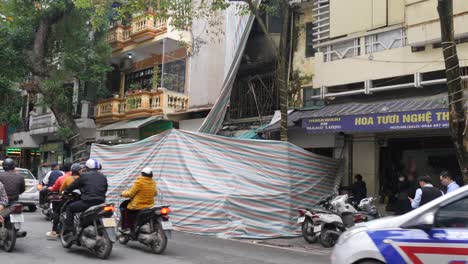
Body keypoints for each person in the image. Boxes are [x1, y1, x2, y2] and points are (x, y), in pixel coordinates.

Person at [63, 159, 108, 235]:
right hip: (101, 202)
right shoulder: (103, 177)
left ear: (87, 167)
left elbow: (73, 186)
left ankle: (69, 230)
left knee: (70, 208)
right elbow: (105, 189)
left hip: (88, 202)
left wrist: (66, 192)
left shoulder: (84, 175)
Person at [46, 163, 83, 239]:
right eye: (81, 170)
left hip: (69, 199)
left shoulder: (67, 178)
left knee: (57, 211)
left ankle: (54, 231)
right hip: (82, 200)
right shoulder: (83, 178)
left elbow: (61, 190)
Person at [120, 167, 157, 234]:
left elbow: (130, 194)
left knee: (127, 210)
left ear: (142, 174)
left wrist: (122, 193)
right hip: (149, 206)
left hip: (137, 206)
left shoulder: (139, 182)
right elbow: (155, 193)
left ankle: (128, 228)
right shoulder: (153, 182)